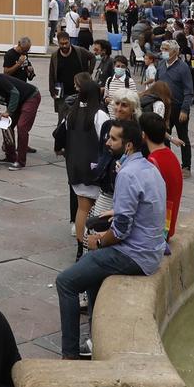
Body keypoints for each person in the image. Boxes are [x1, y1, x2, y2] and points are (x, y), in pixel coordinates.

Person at [56, 117, 165, 360]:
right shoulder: (149, 167)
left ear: (128, 146)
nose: (107, 142)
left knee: (66, 282)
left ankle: (69, 355)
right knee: (93, 271)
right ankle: (95, 339)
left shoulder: (127, 173)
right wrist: (116, 212)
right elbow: (144, 206)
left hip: (135, 255)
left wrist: (99, 241)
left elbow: (121, 231)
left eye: (113, 139)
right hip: (151, 250)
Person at [63, 79, 113, 255]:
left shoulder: (72, 113)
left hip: (74, 165)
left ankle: (80, 246)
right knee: (95, 208)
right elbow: (107, 140)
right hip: (93, 167)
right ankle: (88, 245)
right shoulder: (99, 114)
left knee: (81, 207)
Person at [139, 111, 184, 238]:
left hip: (157, 231)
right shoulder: (172, 156)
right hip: (168, 227)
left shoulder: (152, 162)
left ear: (143, 135)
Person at [0, 67, 39, 170]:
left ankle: (20, 162)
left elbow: (15, 93)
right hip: (19, 102)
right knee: (6, 125)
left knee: (22, 127)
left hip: (30, 96)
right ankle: (11, 156)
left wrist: (8, 112)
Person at [155, 40, 194, 171]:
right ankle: (168, 163)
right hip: (164, 107)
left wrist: (185, 109)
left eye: (166, 49)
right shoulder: (160, 65)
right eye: (162, 49)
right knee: (164, 135)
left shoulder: (183, 67)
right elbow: (156, 84)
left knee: (183, 137)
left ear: (175, 52)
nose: (163, 52)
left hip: (178, 107)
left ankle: (186, 165)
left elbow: (189, 91)